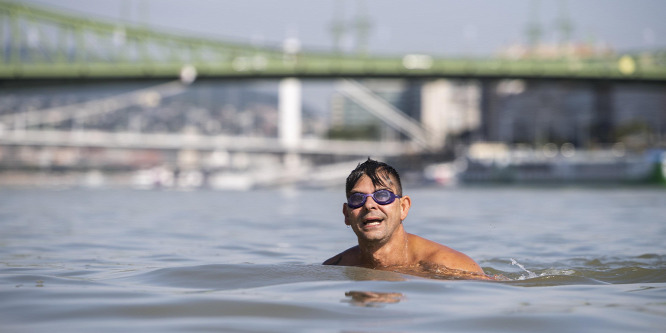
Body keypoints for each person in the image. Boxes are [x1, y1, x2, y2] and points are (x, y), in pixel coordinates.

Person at [323, 158, 490, 280]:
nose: (369, 205)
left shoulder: (450, 266)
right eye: (358, 198)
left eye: (382, 195)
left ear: (403, 207)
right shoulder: (335, 268)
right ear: (346, 214)